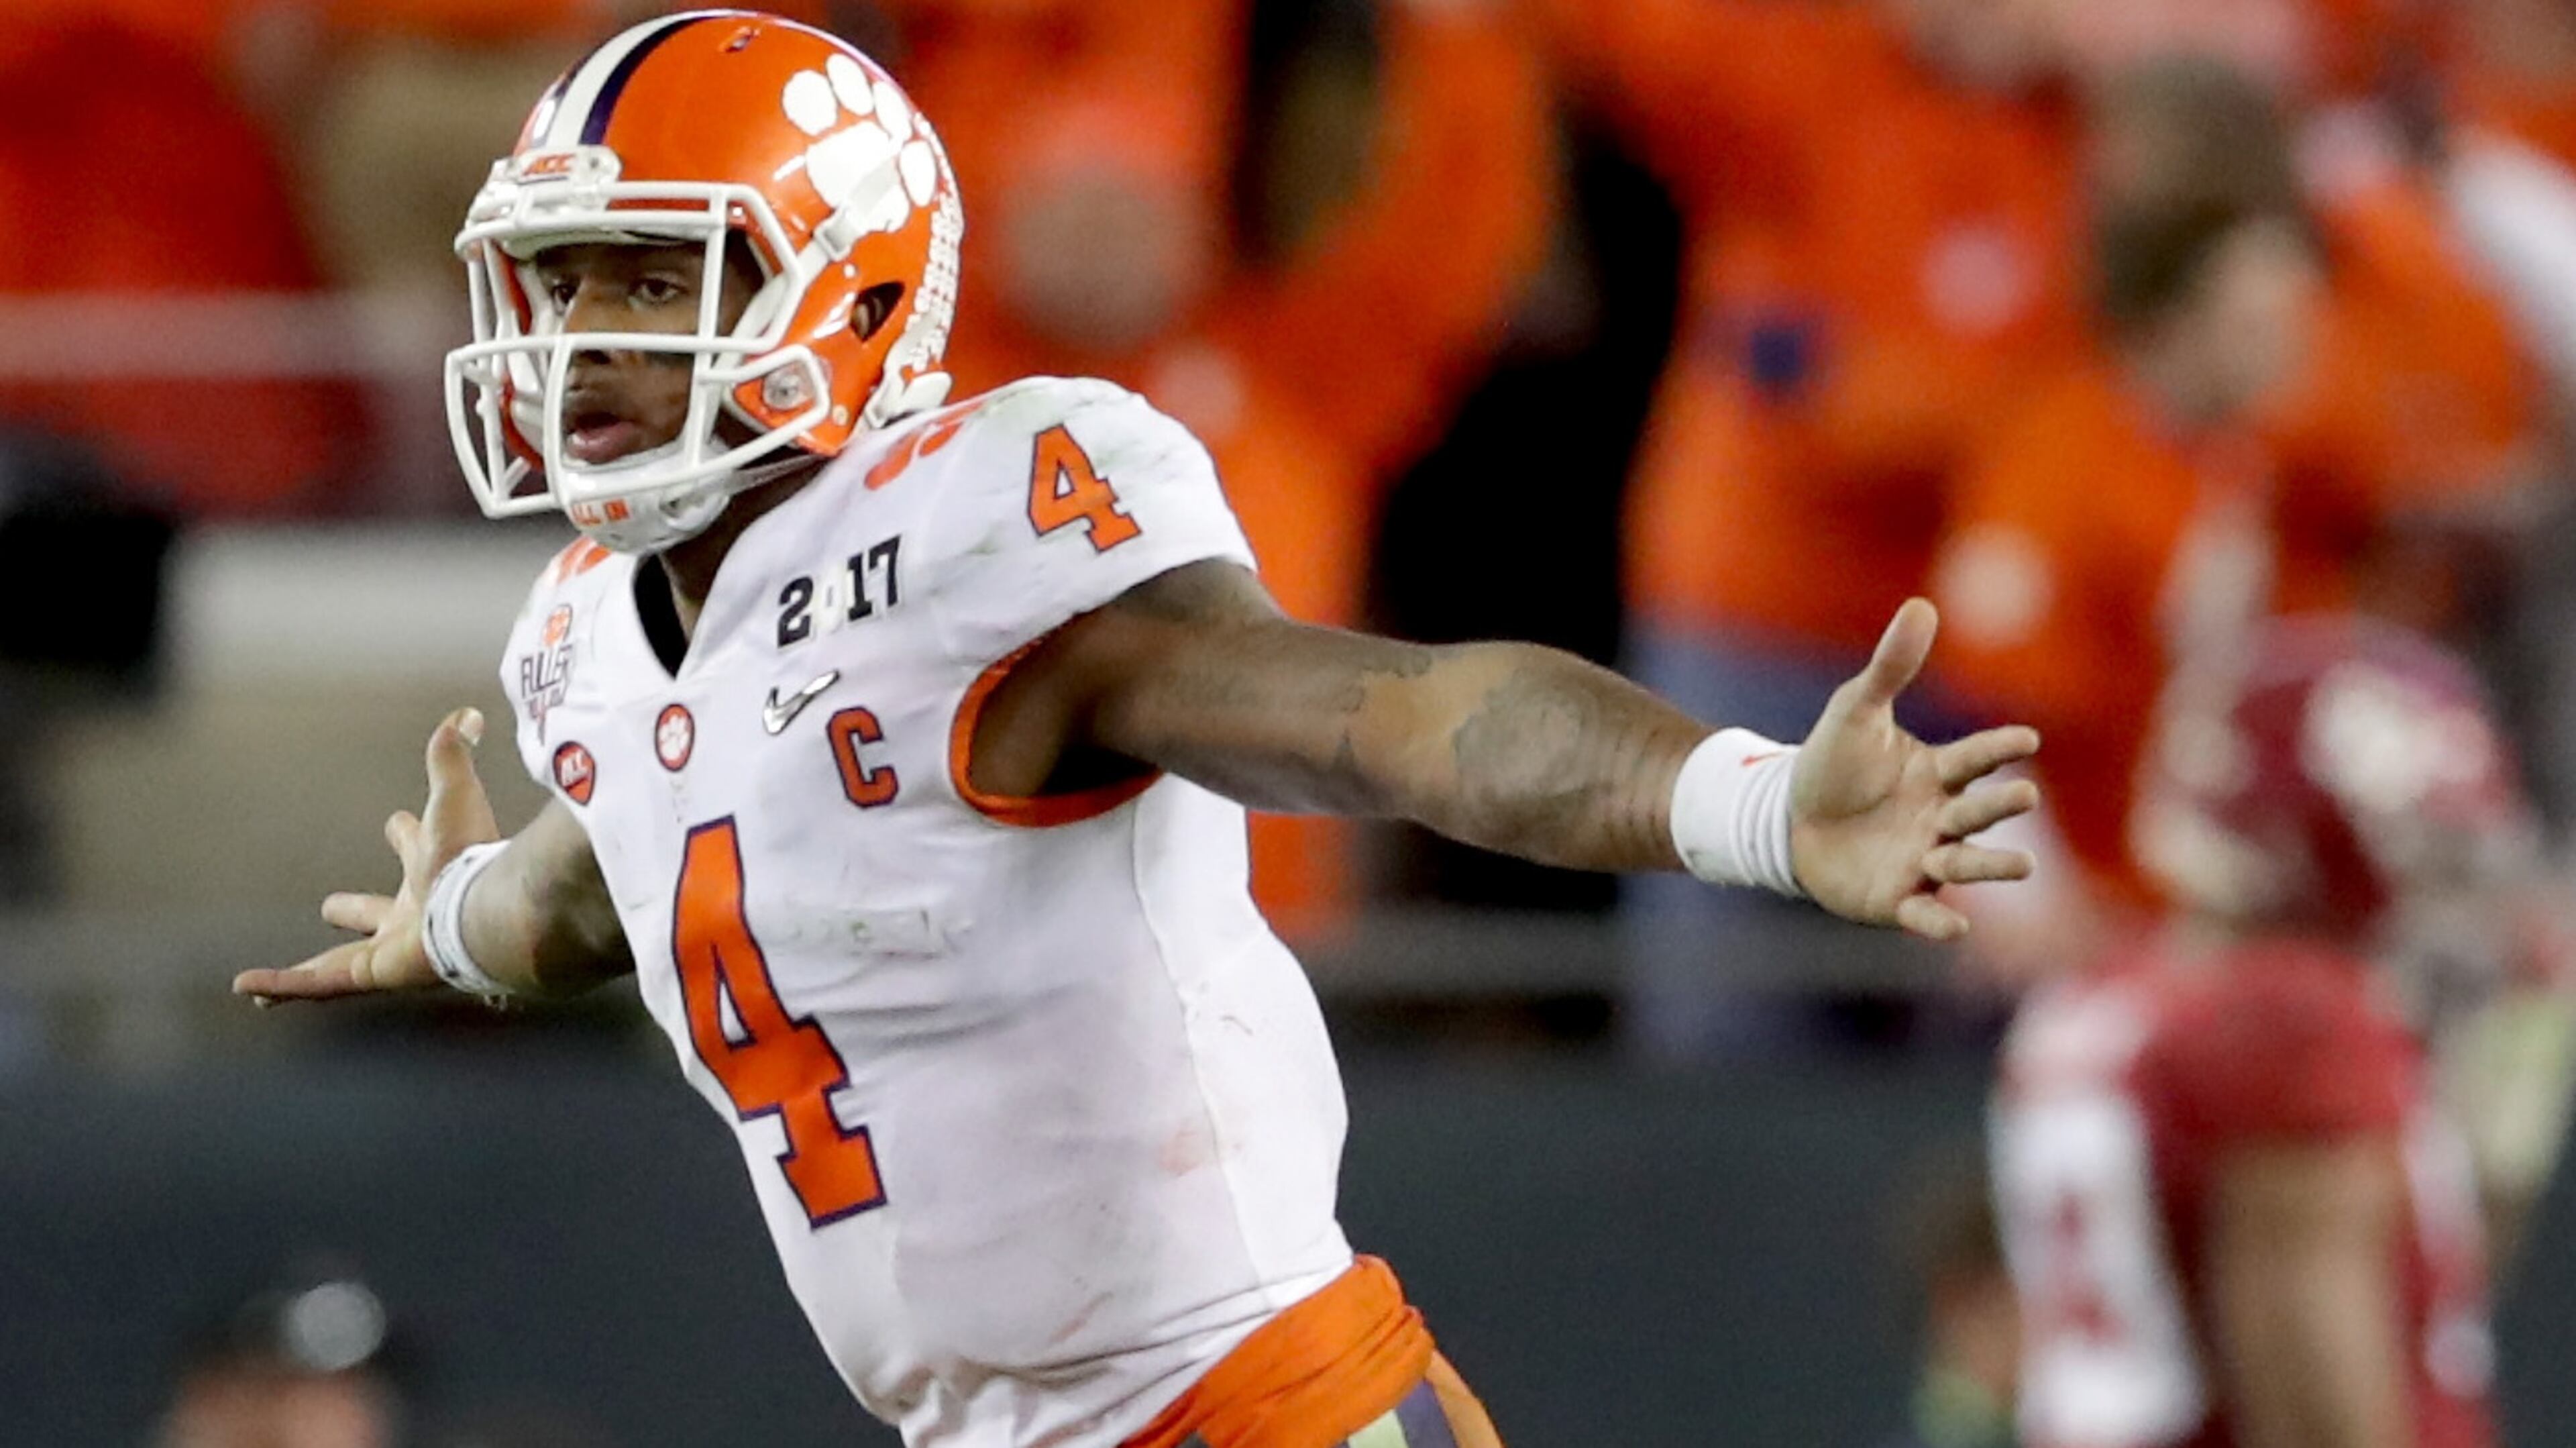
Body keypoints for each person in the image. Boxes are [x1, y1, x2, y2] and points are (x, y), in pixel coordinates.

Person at [232, 12, 2043, 1445]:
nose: (578, 346)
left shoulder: (983, 529)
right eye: (559, 285)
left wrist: (1742, 803)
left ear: (843, 286)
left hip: (1250, 1402)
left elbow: (1389, 717)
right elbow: (602, 879)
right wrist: (455, 920)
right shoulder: (590, 639)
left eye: (645, 279)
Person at [1990, 617, 2533, 1448]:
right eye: (2421, 833)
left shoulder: (2104, 997)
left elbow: (2372, 1286)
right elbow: (2314, 1410)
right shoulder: (2292, 1017)